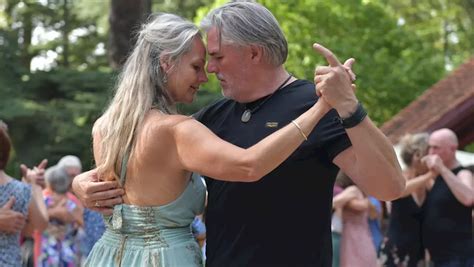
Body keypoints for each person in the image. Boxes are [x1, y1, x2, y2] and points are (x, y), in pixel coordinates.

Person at [73, 2, 405, 266]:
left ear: (253, 53)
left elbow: (390, 186)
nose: (210, 70)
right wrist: (82, 183)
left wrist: (348, 105)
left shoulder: (315, 103)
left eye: (216, 57)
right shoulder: (214, 116)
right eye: (203, 62)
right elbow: (150, 155)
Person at [379, 133, 436, 267]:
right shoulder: (400, 177)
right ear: (418, 156)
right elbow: (400, 191)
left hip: (418, 253)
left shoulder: (428, 182)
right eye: (429, 153)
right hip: (396, 250)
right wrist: (429, 175)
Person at [421, 128, 473, 267]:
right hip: (438, 257)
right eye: (430, 147)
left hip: (458, 256)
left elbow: (469, 198)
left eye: (436, 147)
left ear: (453, 148)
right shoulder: (437, 177)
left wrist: (443, 169)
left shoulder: (463, 174)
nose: (431, 152)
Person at [0, 121, 49, 266]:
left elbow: (32, 229)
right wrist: (34, 186)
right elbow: (40, 225)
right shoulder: (20, 190)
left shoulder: (21, 189)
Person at [36, 165, 84, 267]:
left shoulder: (44, 201)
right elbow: (84, 225)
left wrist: (51, 213)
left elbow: (34, 224)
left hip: (48, 253)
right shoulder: (72, 203)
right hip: (69, 253)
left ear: (49, 184)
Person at [333, 172, 378, 267]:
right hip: (354, 236)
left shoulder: (358, 193)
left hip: (356, 236)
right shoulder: (353, 191)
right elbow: (361, 207)